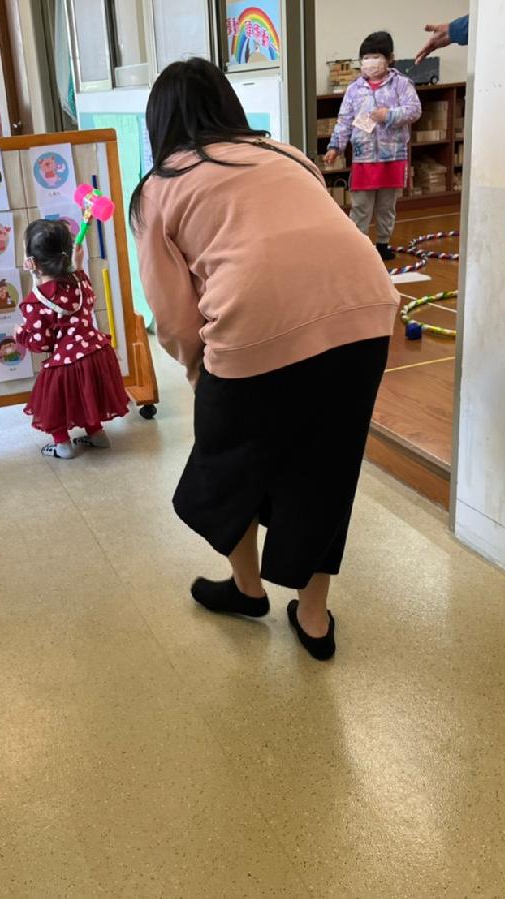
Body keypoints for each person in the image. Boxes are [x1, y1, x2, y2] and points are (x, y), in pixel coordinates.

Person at [131, 58, 401, 660]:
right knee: (325, 470)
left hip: (253, 329)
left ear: (159, 123)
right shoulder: (286, 154)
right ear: (228, 105)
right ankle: (313, 617)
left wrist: (201, 375)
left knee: (228, 467)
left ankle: (248, 589)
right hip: (364, 315)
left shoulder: (159, 188)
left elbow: (173, 319)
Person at [15, 219, 130, 460]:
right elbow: (80, 296)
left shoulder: (36, 301)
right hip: (98, 352)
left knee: (53, 401)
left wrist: (20, 334)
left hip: (68, 361)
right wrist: (77, 265)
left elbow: (41, 343)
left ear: (32, 261)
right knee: (88, 393)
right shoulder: (80, 280)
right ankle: (97, 434)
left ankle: (62, 445)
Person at [324, 31, 420, 260]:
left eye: (376, 56)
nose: (370, 62)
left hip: (392, 156)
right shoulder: (354, 89)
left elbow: (414, 110)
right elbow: (344, 120)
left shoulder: (401, 84)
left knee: (386, 205)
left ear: (389, 58)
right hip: (363, 157)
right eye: (366, 57)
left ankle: (383, 243)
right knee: (361, 206)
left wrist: (390, 115)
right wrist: (335, 146)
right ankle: (359, 245)